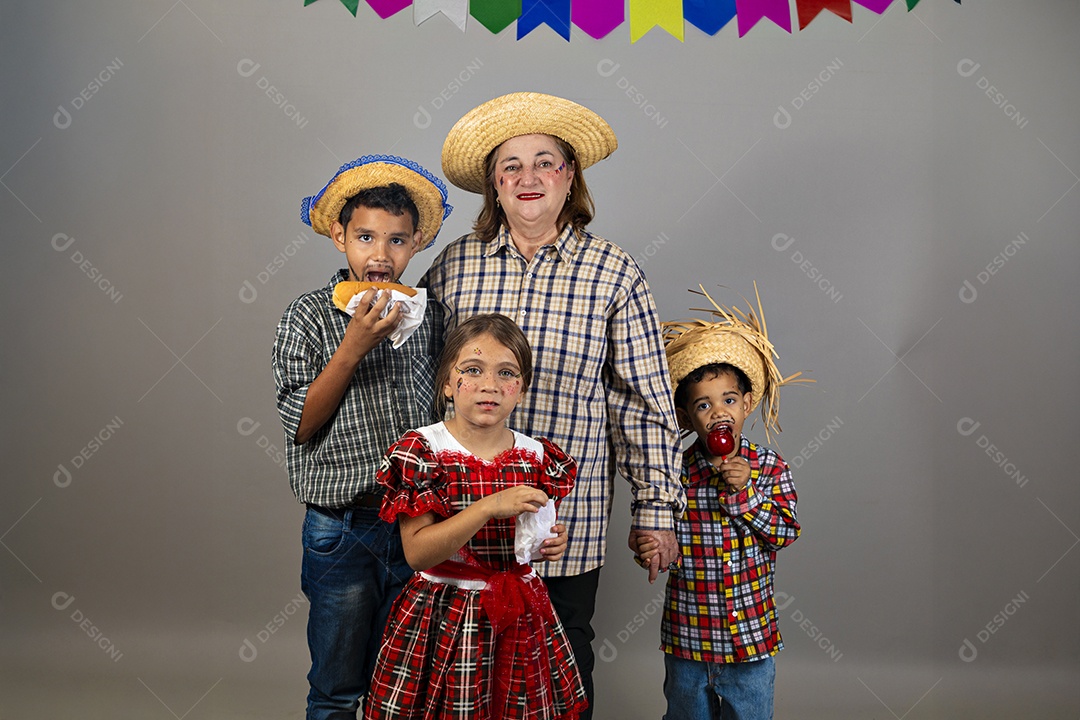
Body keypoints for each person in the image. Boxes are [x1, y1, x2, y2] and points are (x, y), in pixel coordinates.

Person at [421, 92, 687, 717]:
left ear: (570, 178)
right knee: (463, 655)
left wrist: (656, 509)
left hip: (567, 513)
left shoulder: (614, 272)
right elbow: (422, 378)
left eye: (546, 162)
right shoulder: (455, 265)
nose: (529, 177)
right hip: (464, 504)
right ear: (494, 183)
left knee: (561, 658)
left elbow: (643, 403)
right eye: (511, 165)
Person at [272, 154, 452, 719]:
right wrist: (353, 346)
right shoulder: (307, 317)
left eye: (397, 240)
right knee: (338, 687)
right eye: (366, 237)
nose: (381, 255)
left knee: (403, 688)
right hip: (343, 525)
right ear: (339, 236)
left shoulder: (431, 318)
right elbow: (301, 424)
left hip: (418, 525)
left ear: (417, 242)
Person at [364, 313, 588, 720]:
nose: (490, 385)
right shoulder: (424, 450)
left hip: (519, 612)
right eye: (472, 370)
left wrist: (548, 542)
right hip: (443, 611)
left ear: (521, 389)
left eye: (507, 373)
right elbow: (417, 554)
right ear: (447, 384)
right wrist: (487, 507)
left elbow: (529, 540)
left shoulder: (536, 456)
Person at [635, 286, 806, 720]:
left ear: (746, 403)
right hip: (688, 639)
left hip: (750, 640)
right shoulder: (674, 473)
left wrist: (745, 493)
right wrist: (648, 547)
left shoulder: (769, 466)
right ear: (686, 417)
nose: (718, 412)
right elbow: (663, 541)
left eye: (728, 400)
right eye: (703, 405)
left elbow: (785, 533)